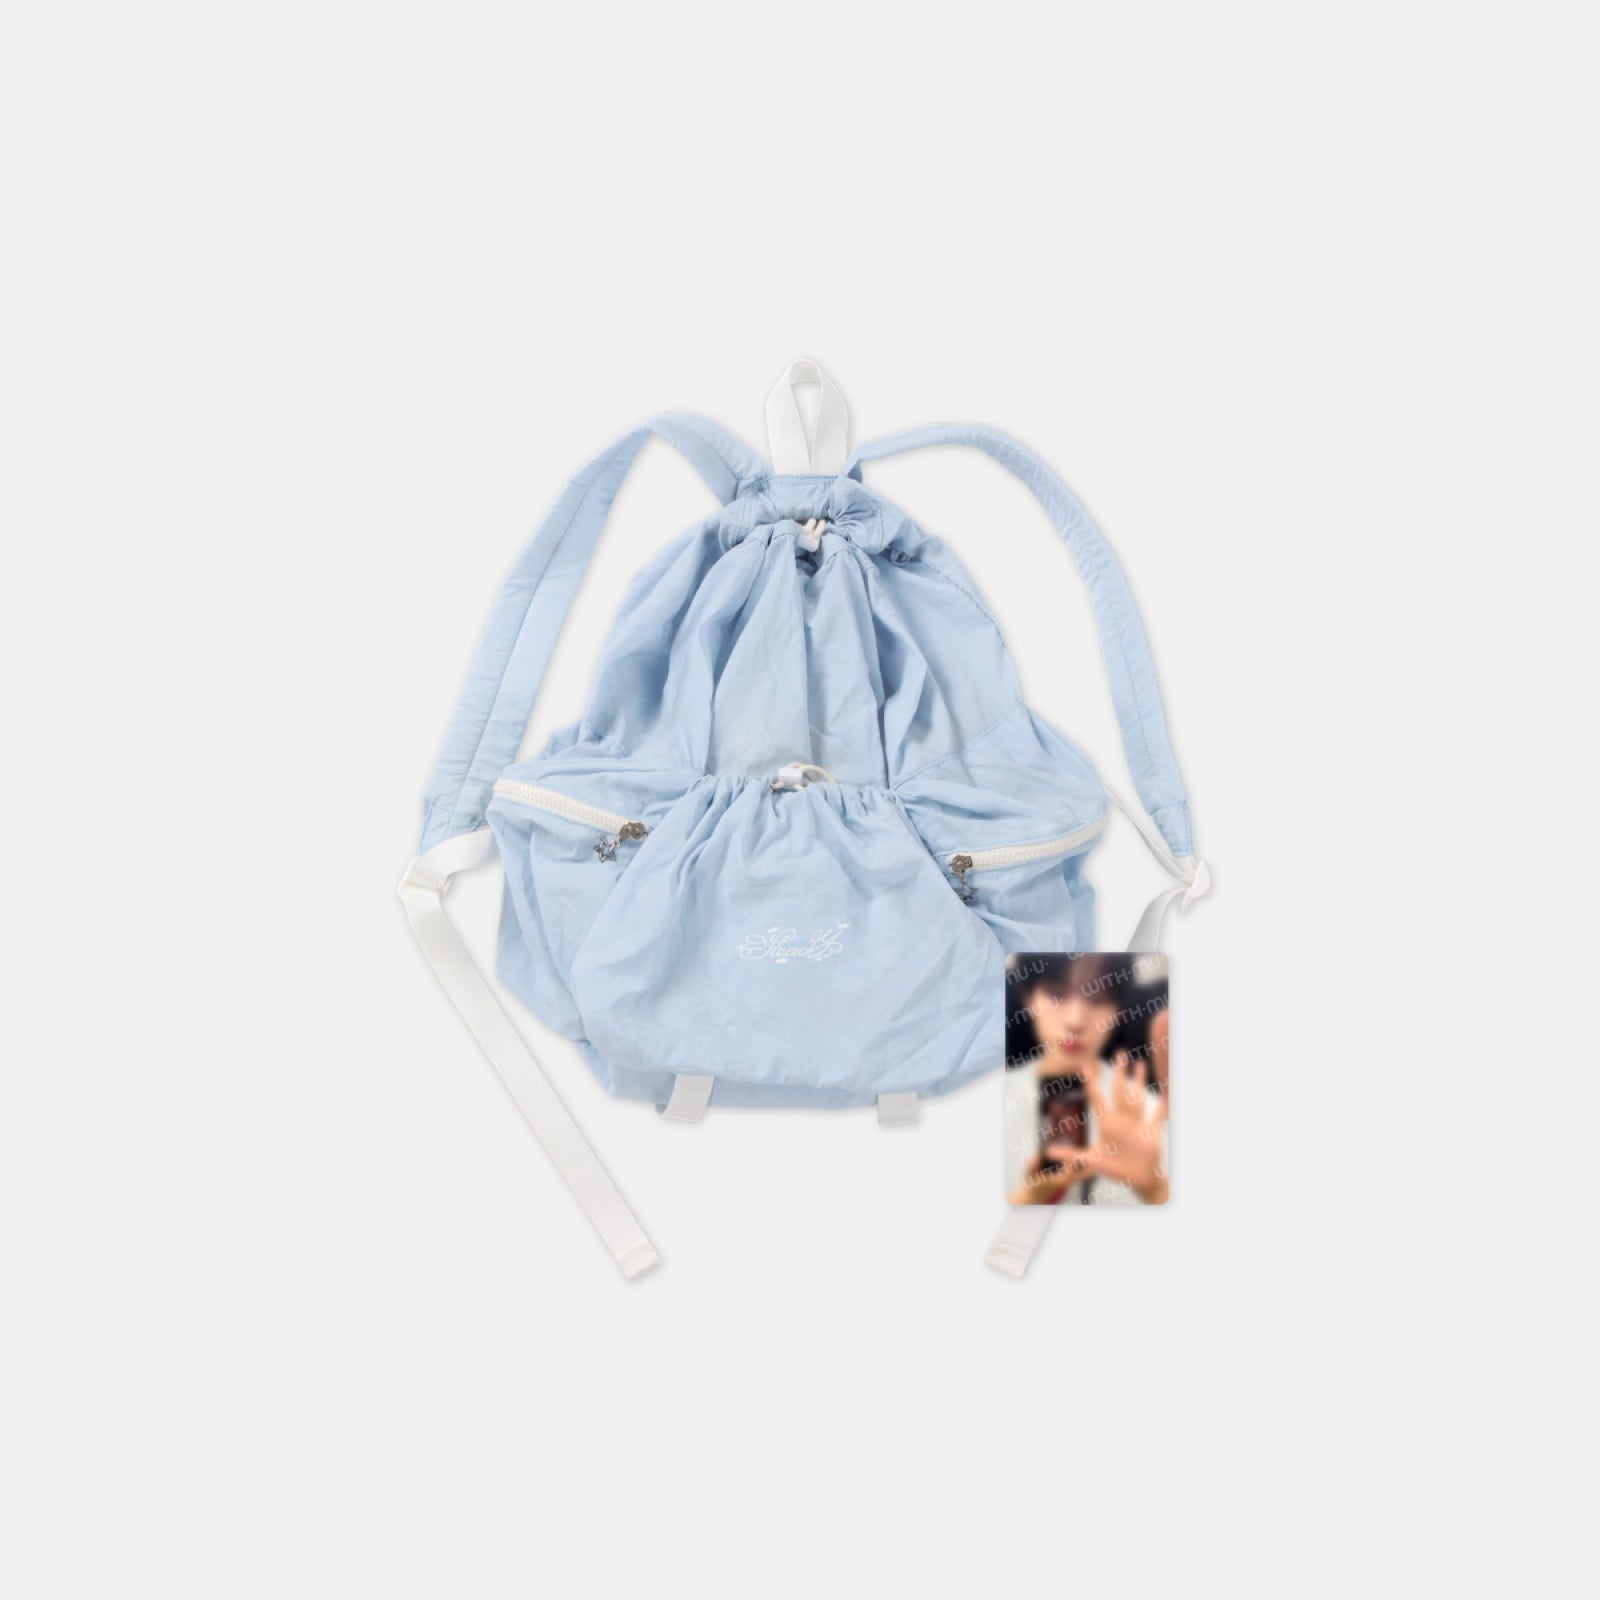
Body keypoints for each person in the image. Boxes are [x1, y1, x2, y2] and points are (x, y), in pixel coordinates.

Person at [1005, 953, 1168, 1206]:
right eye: (1056, 995)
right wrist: (1030, 1198)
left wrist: (1156, 1192)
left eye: (1099, 999)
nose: (1075, 1021)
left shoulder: (1148, 1112)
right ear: (1028, 999)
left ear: (1118, 1010)